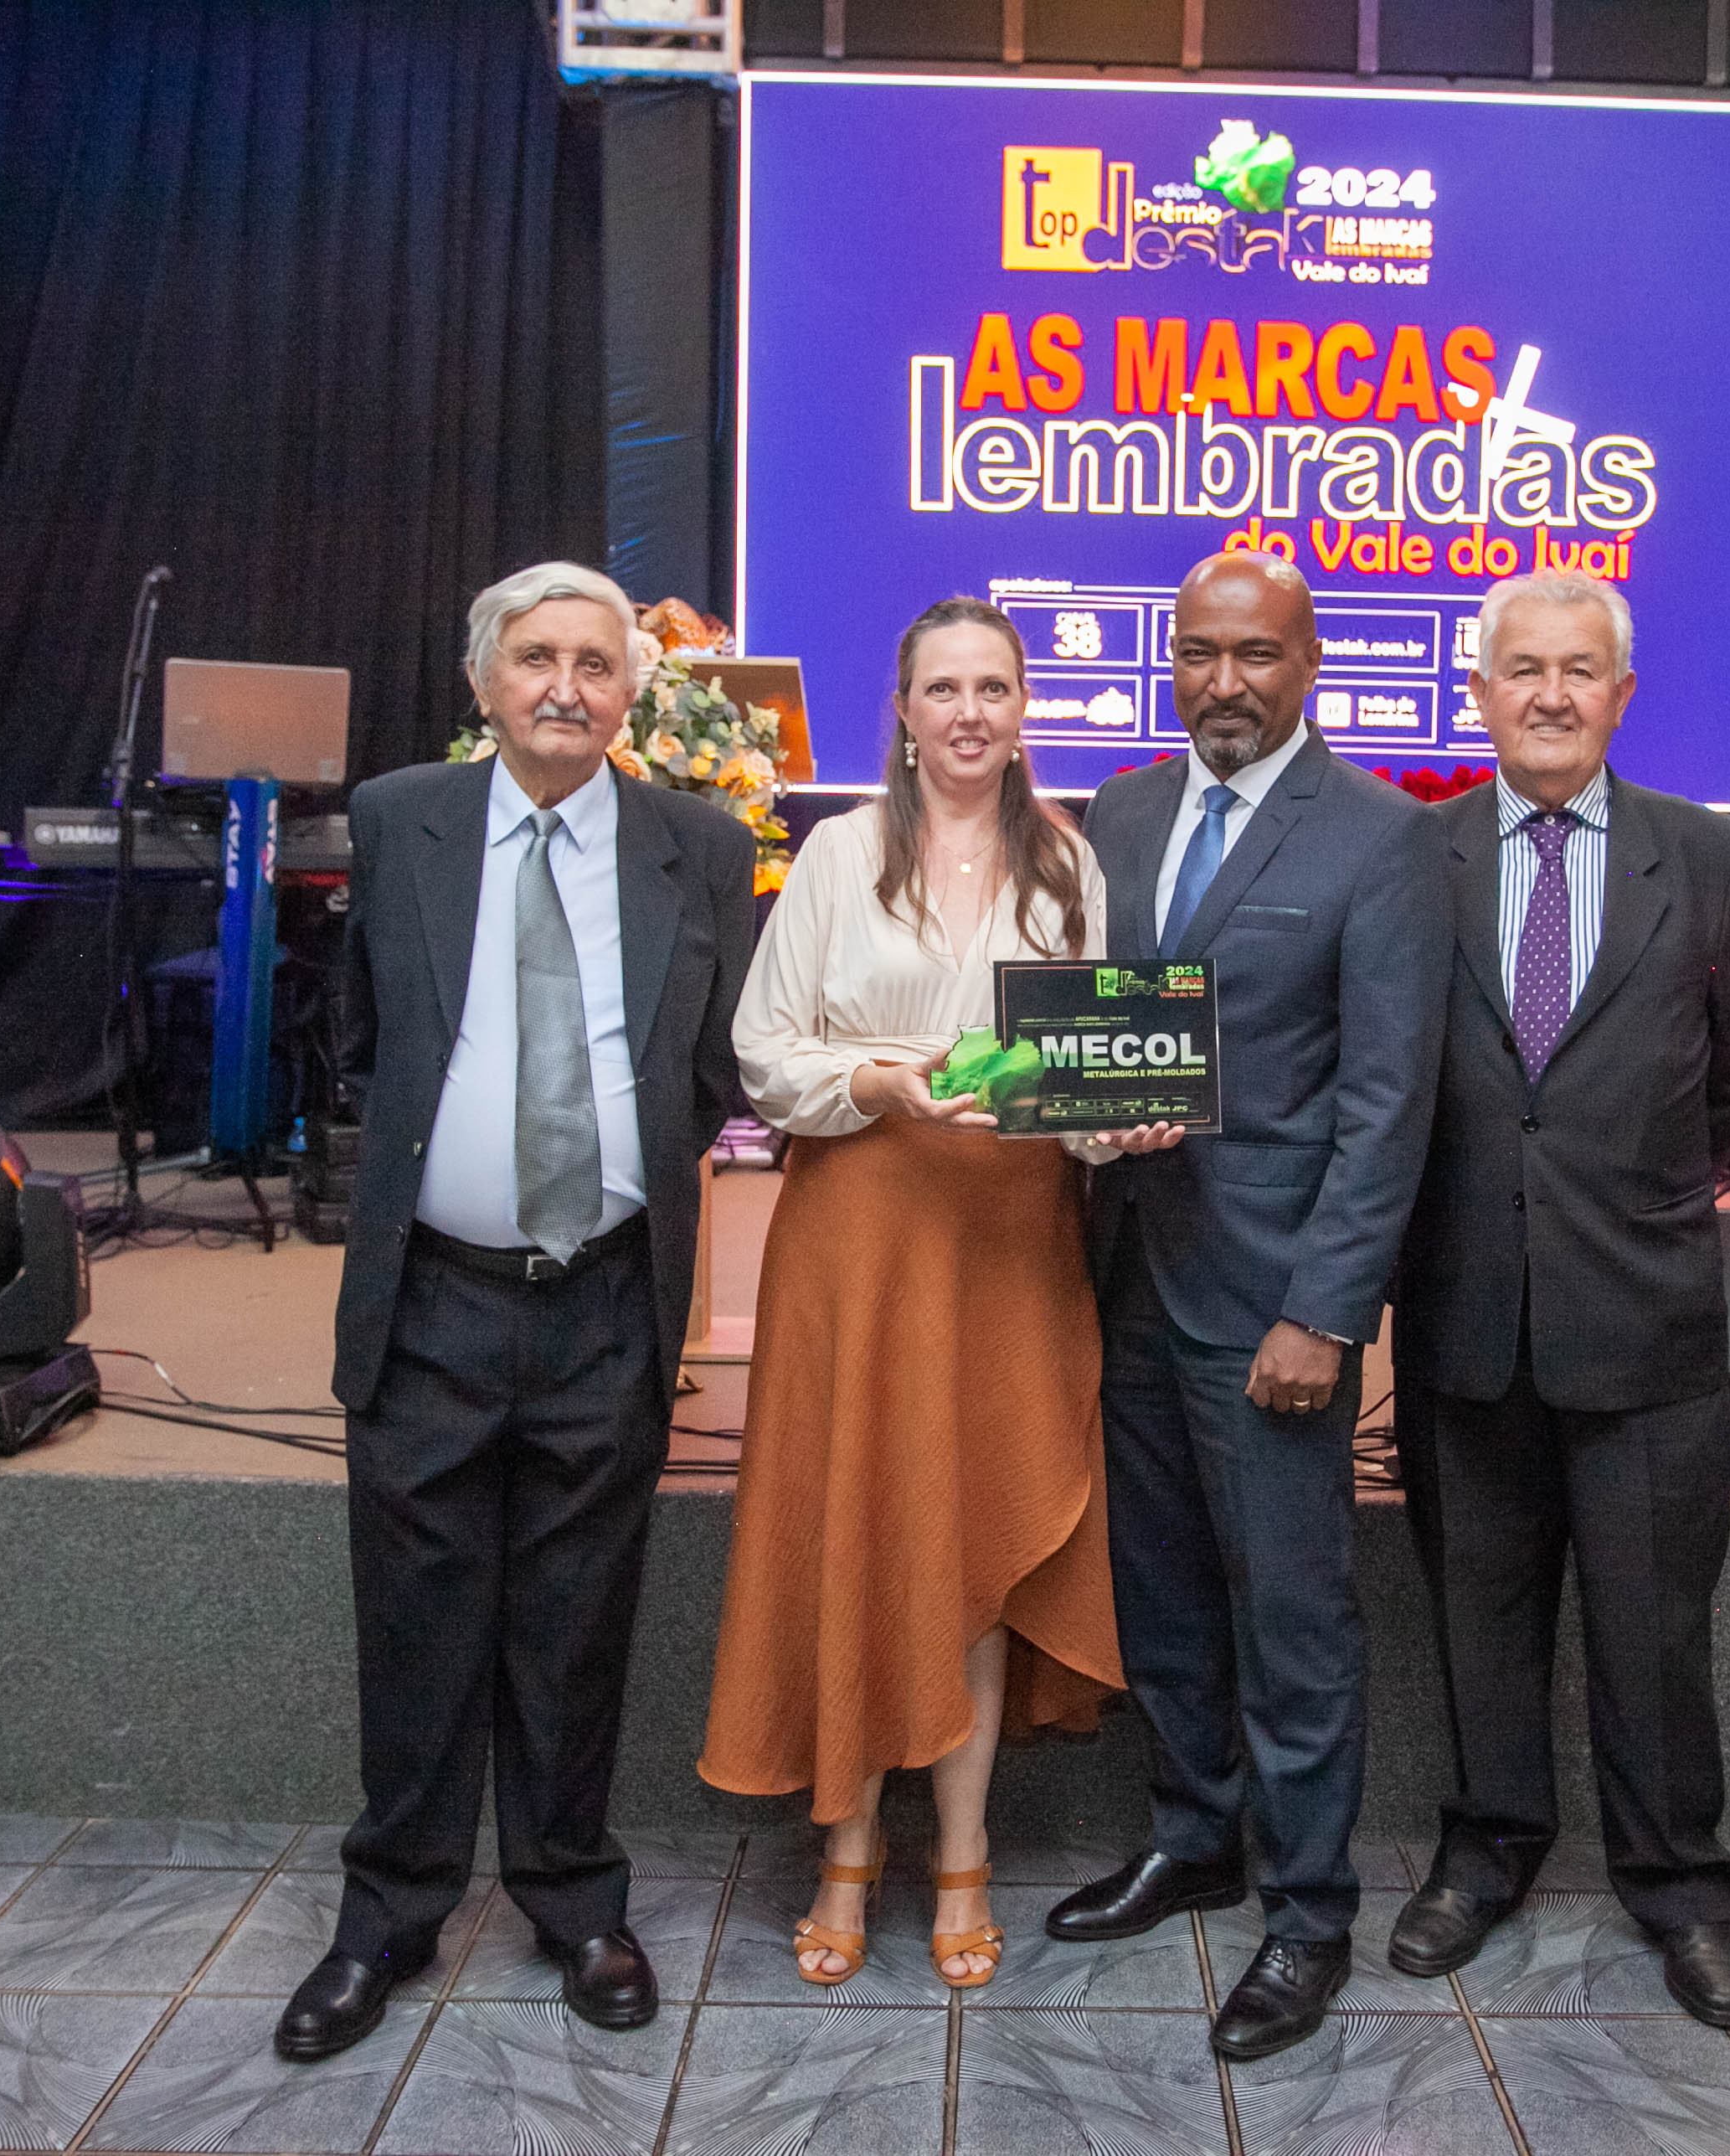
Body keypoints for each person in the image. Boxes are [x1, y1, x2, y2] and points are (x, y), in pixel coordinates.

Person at [278, 561, 755, 2058]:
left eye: (595, 663)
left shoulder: (697, 841)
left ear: (632, 693)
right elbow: (363, 1035)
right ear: (484, 681)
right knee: (414, 1622)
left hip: (607, 1299)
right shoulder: (400, 818)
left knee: (576, 1619)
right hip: (431, 1297)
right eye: (536, 657)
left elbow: (709, 1072)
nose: (565, 685)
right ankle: (388, 1913)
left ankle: (572, 1897)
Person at [700, 597, 1180, 1989]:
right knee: (860, 1523)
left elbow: (1084, 1083)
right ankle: (848, 1848)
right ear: (904, 714)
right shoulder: (838, 854)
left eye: (993, 687)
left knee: (971, 1533)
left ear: (1024, 710)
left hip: (1012, 1244)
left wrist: (1124, 1121)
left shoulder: (1071, 865)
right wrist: (873, 1079)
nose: (969, 711)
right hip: (860, 1232)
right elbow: (762, 1050)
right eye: (943, 688)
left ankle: (963, 1849)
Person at [1049, 550, 1452, 2060]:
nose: (1224, 681)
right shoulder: (1123, 811)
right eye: (1199, 652)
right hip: (1129, 1275)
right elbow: (1097, 1026)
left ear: (1310, 662)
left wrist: (1326, 1313)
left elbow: (1387, 1104)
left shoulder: (1381, 838)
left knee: (1291, 1614)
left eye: (1257, 654)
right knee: (1160, 1589)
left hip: (1276, 1297)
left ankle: (1308, 1910)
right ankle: (1194, 1832)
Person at [1387, 571, 1730, 2029]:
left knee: (1653, 1631)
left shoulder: (1708, 852)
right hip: (1465, 1315)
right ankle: (1484, 1851)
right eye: (1522, 668)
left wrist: (1625, 1194)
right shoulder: (1414, 856)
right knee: (1478, 1617)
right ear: (1479, 692)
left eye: (1578, 668)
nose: (1549, 693)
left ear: (1622, 693)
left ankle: (1678, 1888)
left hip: (1646, 1316)